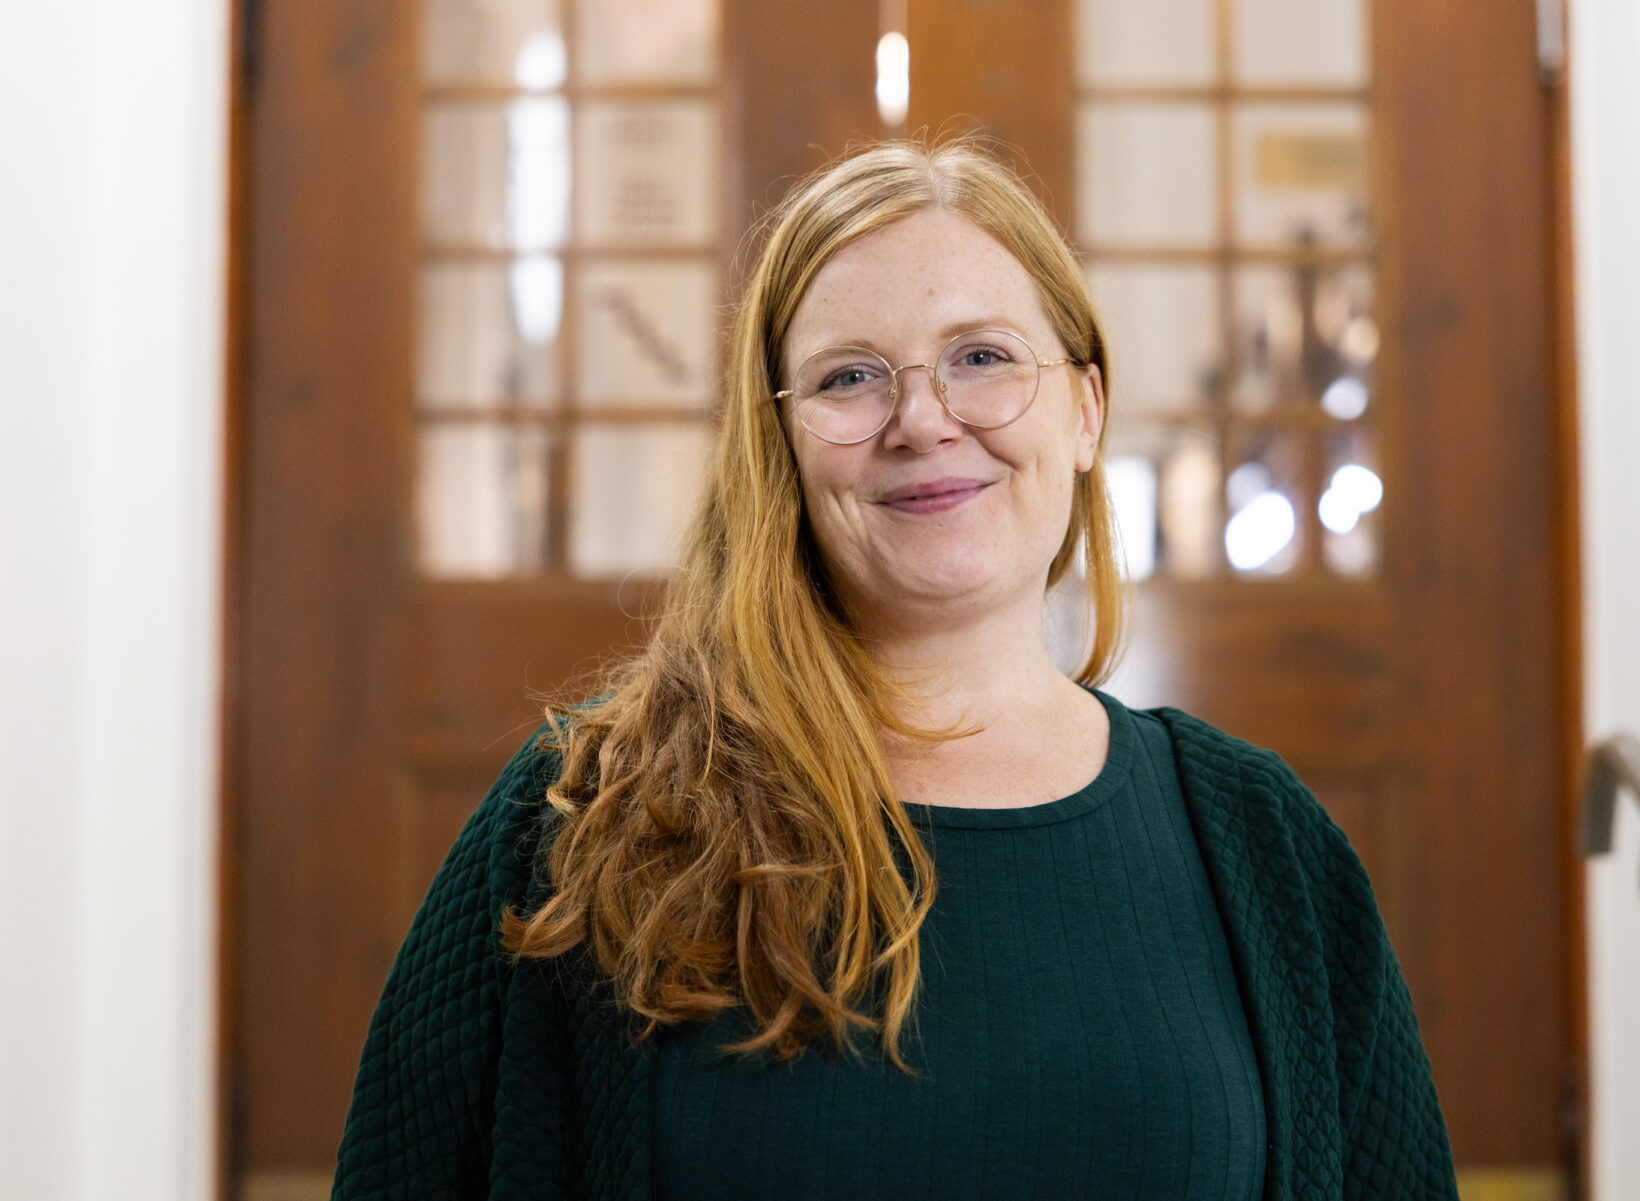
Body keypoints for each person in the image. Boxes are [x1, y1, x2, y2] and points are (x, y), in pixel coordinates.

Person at [331, 139, 1459, 1200]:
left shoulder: (1270, 849)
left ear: (1085, 408)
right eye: (850, 378)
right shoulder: (579, 817)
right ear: (777, 447)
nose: (924, 420)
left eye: (982, 357)